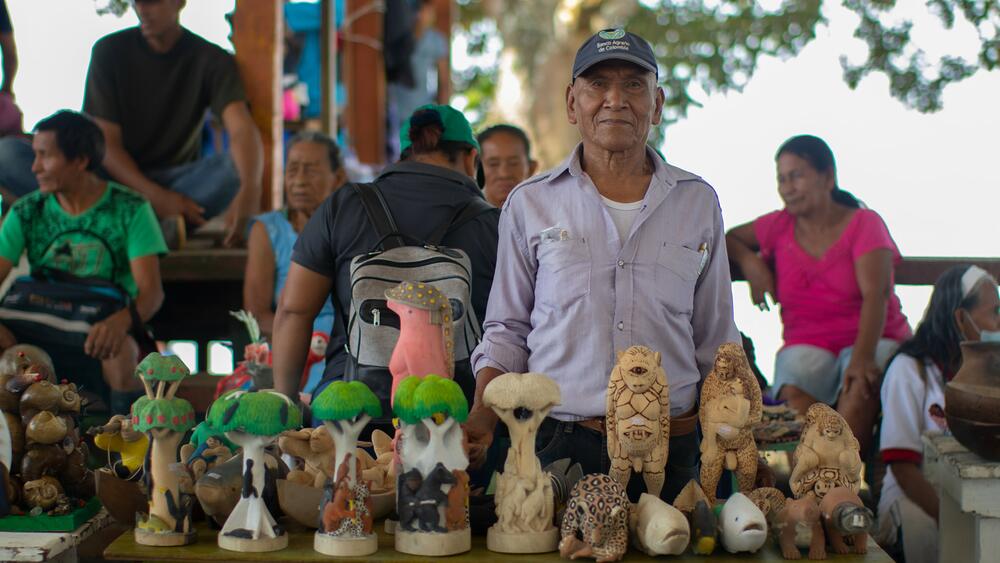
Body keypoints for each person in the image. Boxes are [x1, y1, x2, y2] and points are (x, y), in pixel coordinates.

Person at [466, 29, 740, 503]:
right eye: (598, 85)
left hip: (670, 449)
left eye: (634, 85)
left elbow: (716, 341)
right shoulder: (530, 204)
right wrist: (481, 421)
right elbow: (507, 331)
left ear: (656, 104)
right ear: (573, 103)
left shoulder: (698, 203)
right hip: (557, 442)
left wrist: (727, 438)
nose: (615, 99)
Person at [271, 104, 498, 409]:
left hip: (349, 412)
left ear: (403, 154)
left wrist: (286, 402)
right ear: (472, 158)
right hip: (454, 417)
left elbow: (293, 311)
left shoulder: (344, 206)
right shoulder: (494, 224)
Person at [0, 0, 263, 246]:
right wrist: (158, 200)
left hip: (175, 181)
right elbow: (106, 147)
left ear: (180, 2)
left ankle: (108, 227)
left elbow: (240, 127)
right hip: (109, 182)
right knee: (7, 154)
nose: (142, 9)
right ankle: (150, 228)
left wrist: (250, 190)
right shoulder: (109, 51)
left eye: (153, 1)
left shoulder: (210, 58)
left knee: (232, 170)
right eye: (137, 1)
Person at [726, 134, 911, 455]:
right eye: (781, 179)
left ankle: (836, 482)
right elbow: (729, 238)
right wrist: (750, 261)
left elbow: (876, 296)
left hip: (871, 337)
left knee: (860, 384)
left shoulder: (864, 223)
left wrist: (862, 358)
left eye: (797, 175)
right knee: (792, 394)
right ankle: (830, 476)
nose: (787, 187)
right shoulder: (778, 226)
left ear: (828, 176)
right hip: (808, 343)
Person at [0, 111, 167, 413]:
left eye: (44, 156)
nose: (34, 167)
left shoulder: (130, 208)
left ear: (80, 160)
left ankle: (117, 451)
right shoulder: (28, 210)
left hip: (99, 324)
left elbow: (151, 294)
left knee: (122, 354)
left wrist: (119, 323)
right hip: (38, 321)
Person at [876, 265, 999, 563]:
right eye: (995, 311)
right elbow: (902, 466)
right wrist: (950, 516)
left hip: (973, 488)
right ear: (960, 317)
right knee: (930, 533)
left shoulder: (992, 374)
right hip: (915, 494)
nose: (999, 321)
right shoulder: (909, 370)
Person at [243, 131, 344, 395]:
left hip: (341, 346)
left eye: (310, 171)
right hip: (291, 346)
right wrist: (302, 337)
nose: (299, 180)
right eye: (292, 169)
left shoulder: (349, 229)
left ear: (338, 178)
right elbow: (256, 313)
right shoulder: (268, 230)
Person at [387, 0, 449, 157]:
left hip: (423, 108)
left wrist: (444, 115)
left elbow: (443, 81)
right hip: (397, 107)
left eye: (427, 11)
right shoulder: (398, 37)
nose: (422, 15)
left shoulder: (436, 40)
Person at [477, 124, 538, 208]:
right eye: (493, 164)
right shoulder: (465, 218)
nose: (504, 174)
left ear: (531, 168)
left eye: (513, 163)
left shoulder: (549, 214)